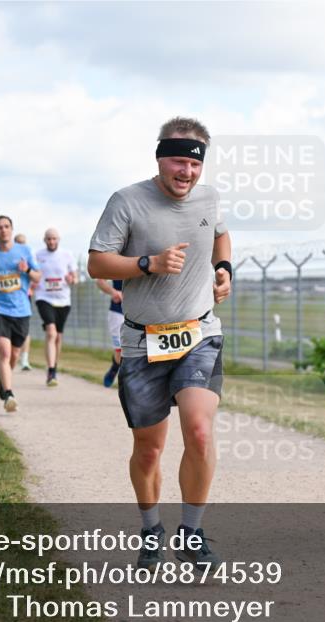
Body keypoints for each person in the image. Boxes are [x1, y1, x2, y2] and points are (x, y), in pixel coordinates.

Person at [88, 116, 232, 570]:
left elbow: (221, 233)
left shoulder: (209, 197)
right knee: (149, 448)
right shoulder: (127, 201)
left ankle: (191, 532)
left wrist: (224, 267)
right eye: (177, 162)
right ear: (160, 158)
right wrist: (147, 263)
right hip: (142, 343)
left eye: (193, 165)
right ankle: (151, 528)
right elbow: (97, 263)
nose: (186, 173)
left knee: (200, 429)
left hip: (199, 334)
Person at [0, 215, 41, 412]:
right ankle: (8, 394)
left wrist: (27, 270)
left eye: (6, 226)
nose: (3, 230)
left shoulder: (24, 251)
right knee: (5, 352)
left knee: (15, 354)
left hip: (21, 310)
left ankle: (2, 377)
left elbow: (38, 277)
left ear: (12, 229)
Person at [34, 227, 78, 387]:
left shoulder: (67, 255)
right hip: (44, 298)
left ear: (58, 240)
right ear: (44, 240)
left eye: (54, 239)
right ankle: (51, 370)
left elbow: (75, 277)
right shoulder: (38, 255)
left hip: (63, 300)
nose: (51, 242)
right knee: (51, 332)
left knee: (58, 336)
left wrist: (71, 279)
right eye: (48, 239)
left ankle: (54, 365)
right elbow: (33, 275)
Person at [96, 278, 124, 387]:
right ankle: (114, 368)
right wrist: (114, 292)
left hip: (141, 310)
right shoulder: (118, 260)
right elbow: (100, 281)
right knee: (120, 351)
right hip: (118, 310)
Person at [14, 233, 34, 371]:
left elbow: (38, 275)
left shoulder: (30, 257)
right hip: (9, 298)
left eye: (23, 243)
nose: (22, 245)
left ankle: (25, 360)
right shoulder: (9, 257)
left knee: (25, 331)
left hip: (25, 297)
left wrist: (32, 286)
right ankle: (13, 357)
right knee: (12, 332)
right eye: (19, 243)